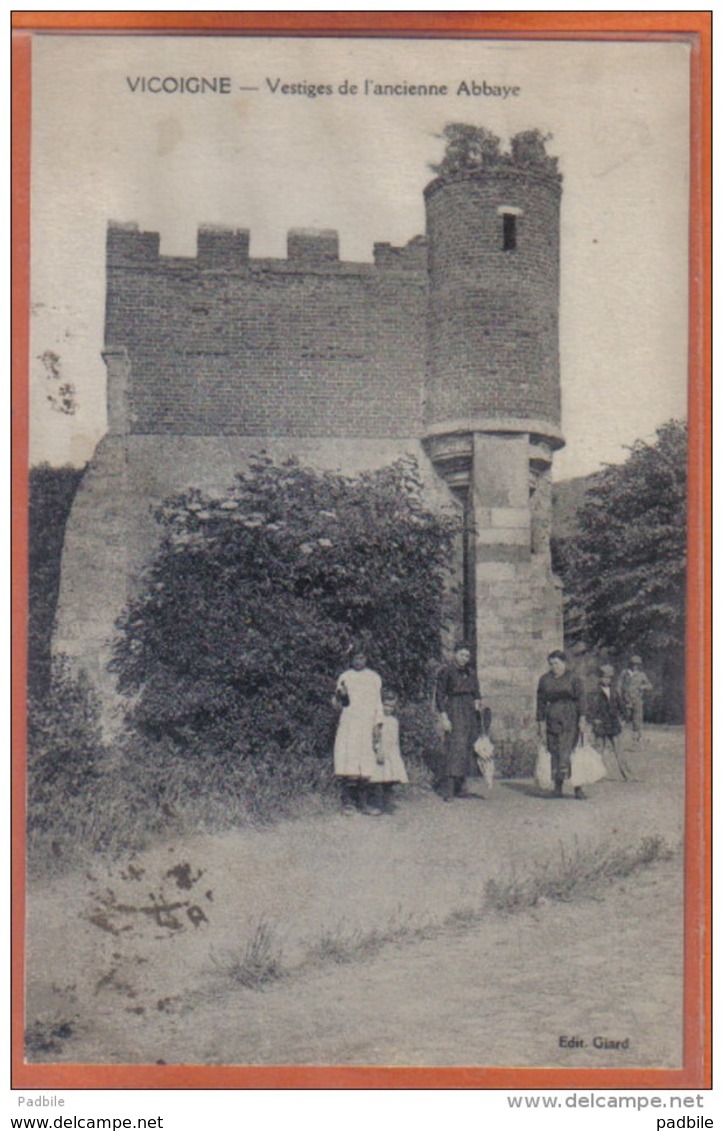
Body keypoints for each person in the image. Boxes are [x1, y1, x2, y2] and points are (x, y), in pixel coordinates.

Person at [332, 646, 384, 815]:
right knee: (350, 760)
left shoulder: (374, 678)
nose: (358, 661)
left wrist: (377, 724)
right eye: (355, 658)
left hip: (367, 723)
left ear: (366, 658)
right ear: (351, 659)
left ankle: (365, 803)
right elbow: (339, 704)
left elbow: (378, 702)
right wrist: (341, 696)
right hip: (350, 723)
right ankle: (348, 802)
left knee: (366, 761)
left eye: (361, 658)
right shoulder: (345, 677)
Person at [536, 650, 587, 799]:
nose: (554, 667)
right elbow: (540, 701)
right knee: (555, 751)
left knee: (571, 752)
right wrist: (540, 721)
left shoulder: (574, 678)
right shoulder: (544, 680)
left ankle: (578, 788)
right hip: (552, 717)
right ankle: (558, 787)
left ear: (564, 663)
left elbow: (581, 699)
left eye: (557, 663)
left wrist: (582, 718)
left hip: (570, 717)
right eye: (551, 664)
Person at [435, 641, 482, 802]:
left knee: (468, 747)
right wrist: (443, 716)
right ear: (454, 654)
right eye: (462, 654)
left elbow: (477, 692)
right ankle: (448, 789)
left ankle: (461, 786)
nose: (464, 658)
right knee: (455, 747)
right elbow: (440, 696)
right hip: (454, 709)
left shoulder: (471, 672)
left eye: (467, 656)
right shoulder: (446, 671)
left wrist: (477, 701)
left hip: (469, 711)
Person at [367, 690, 409, 815]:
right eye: (385, 705)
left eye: (391, 706)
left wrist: (397, 754)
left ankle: (388, 803)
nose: (388, 708)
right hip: (381, 752)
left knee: (390, 779)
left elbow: (395, 739)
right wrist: (377, 749)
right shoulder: (377, 720)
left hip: (392, 752)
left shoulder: (394, 721)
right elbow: (375, 736)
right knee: (378, 779)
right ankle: (378, 805)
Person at [590, 664, 632, 781]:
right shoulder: (595, 692)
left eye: (609, 678)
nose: (606, 680)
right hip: (600, 724)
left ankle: (627, 775)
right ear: (599, 678)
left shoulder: (614, 691)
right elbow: (590, 709)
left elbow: (621, 706)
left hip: (613, 724)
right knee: (599, 751)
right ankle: (597, 775)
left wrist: (623, 717)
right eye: (604, 677)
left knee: (619, 750)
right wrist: (593, 719)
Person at [620, 655, 653, 742]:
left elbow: (650, 686)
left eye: (637, 664)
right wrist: (620, 697)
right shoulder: (624, 673)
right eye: (633, 664)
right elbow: (619, 686)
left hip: (637, 699)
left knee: (637, 718)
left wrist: (643, 686)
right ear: (630, 664)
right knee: (624, 716)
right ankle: (618, 733)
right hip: (626, 699)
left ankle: (637, 736)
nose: (635, 666)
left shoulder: (641, 675)